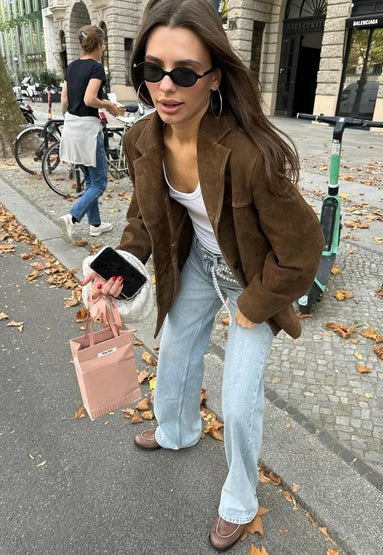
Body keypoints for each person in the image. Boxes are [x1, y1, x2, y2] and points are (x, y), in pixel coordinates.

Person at [82, 0, 324, 551]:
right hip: (197, 264)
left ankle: (239, 500)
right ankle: (177, 431)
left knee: (238, 401)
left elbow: (303, 249)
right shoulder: (142, 139)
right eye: (152, 69)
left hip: (252, 279)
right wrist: (114, 273)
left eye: (185, 73)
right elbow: (142, 220)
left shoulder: (249, 154)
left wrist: (251, 308)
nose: (166, 86)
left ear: (214, 76)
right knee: (174, 353)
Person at [58, 25, 119, 244]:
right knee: (100, 183)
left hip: (71, 128)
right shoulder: (96, 68)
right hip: (87, 131)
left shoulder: (72, 67)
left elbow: (64, 101)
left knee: (91, 180)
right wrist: (109, 105)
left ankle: (95, 225)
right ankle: (72, 217)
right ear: (99, 45)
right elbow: (89, 99)